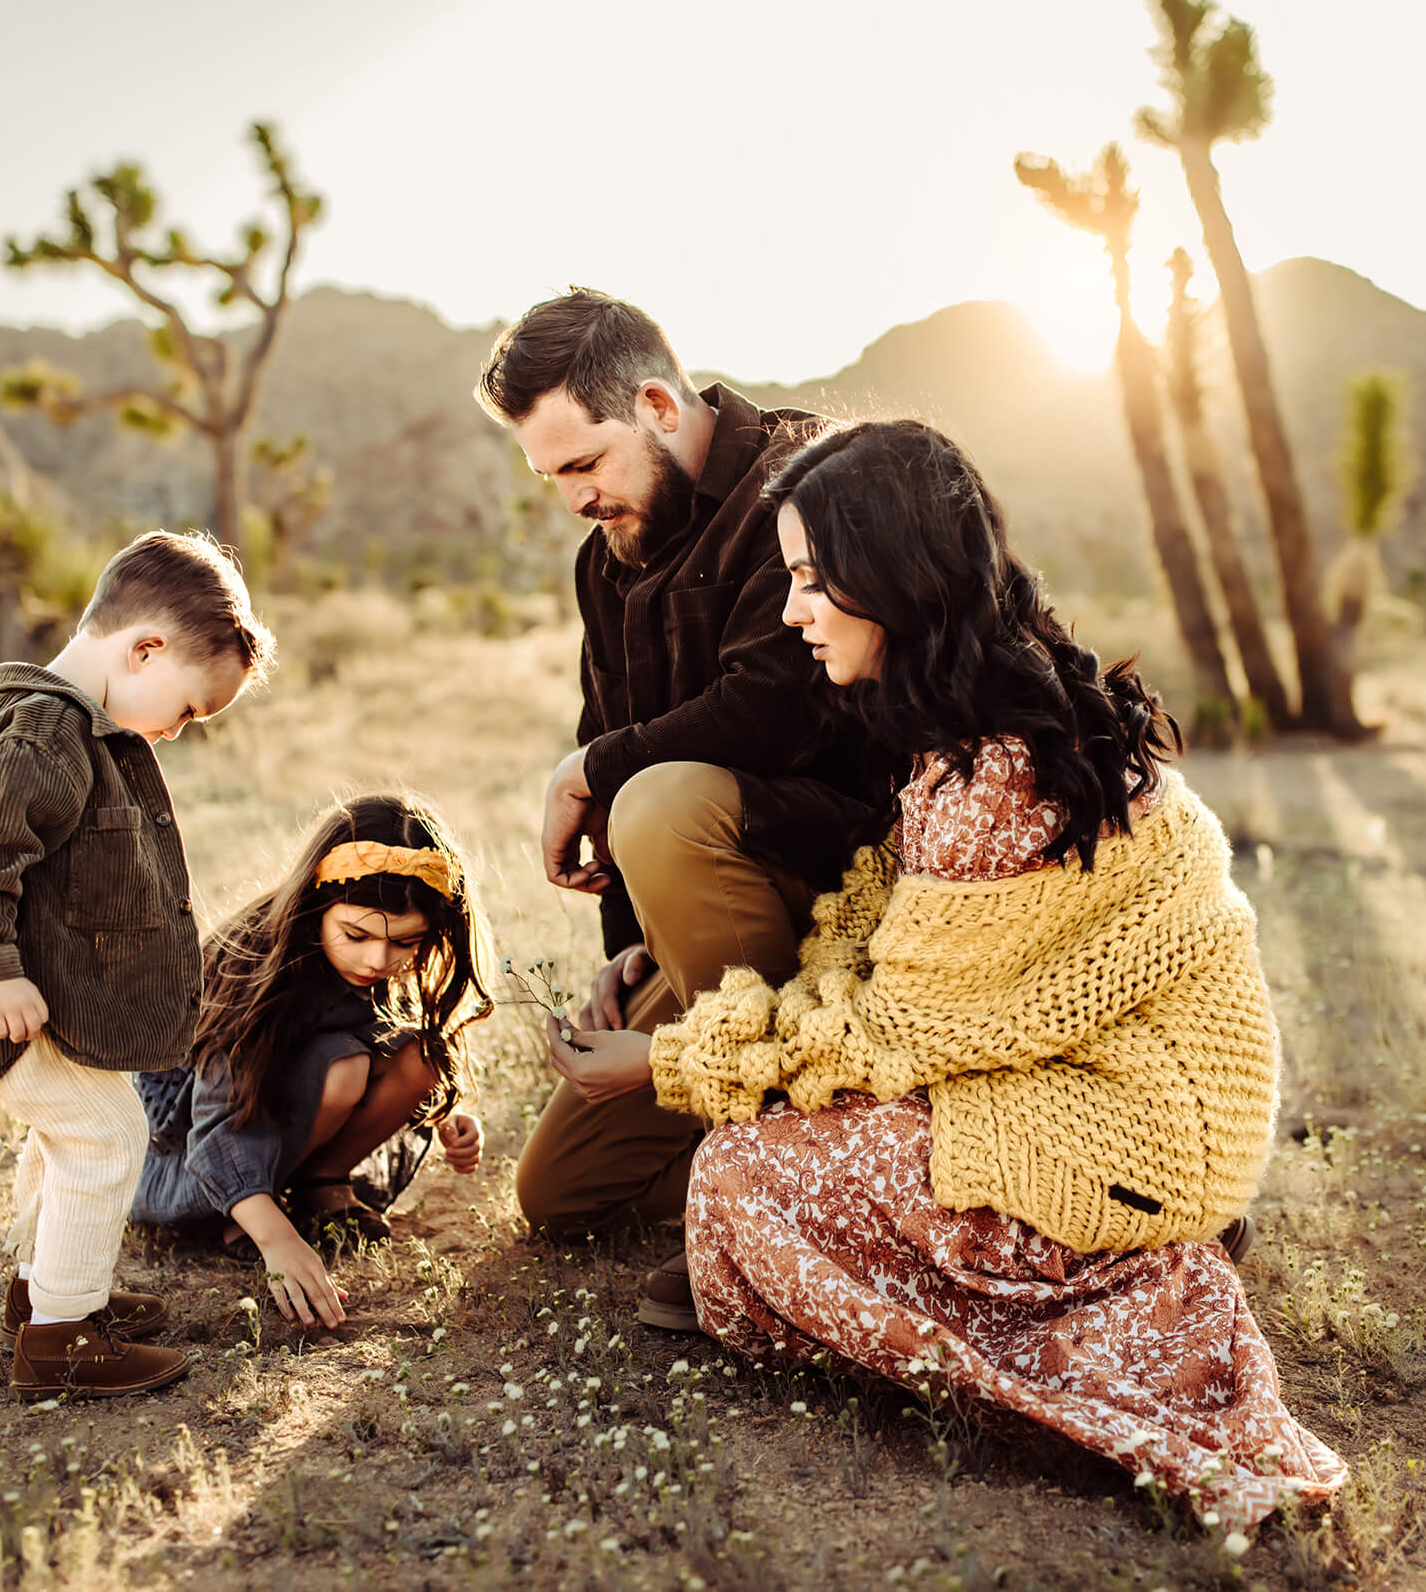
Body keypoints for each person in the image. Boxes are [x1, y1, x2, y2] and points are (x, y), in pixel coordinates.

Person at [548, 422, 1347, 1536]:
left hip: (1135, 1126)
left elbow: (886, 1032)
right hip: (1095, 1087)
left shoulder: (994, 772)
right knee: (750, 1163)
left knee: (735, 1175)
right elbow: (877, 942)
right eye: (789, 578)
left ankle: (1128, 1277)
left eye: (816, 581)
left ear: (898, 579)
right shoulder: (958, 722)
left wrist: (669, 1060)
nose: (791, 612)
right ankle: (1088, 1256)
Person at [474, 289, 889, 1326]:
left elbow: (774, 708)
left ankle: (790, 1184)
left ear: (657, 400)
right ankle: (820, 1173)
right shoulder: (602, 564)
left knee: (652, 794)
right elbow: (608, 725)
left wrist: (590, 768)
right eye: (551, 476)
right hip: (714, 923)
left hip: (854, 898)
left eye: (585, 464)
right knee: (560, 1192)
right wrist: (632, 950)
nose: (574, 496)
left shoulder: (805, 488)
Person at [0, 530, 275, 1399]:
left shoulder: (57, 725)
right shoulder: (42, 733)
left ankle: (50, 1289)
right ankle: (61, 1338)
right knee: (107, 1133)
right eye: (184, 710)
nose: (176, 733)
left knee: (66, 1134)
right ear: (144, 649)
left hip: (17, 996)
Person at [130, 795, 492, 1329]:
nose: (378, 960)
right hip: (187, 1151)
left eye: (405, 942)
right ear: (314, 905)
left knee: (420, 1057)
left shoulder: (369, 964)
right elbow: (213, 1128)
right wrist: (278, 1242)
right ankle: (256, 1214)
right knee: (342, 1066)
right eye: (356, 935)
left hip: (279, 1124)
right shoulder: (251, 968)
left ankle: (321, 1185)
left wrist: (444, 1114)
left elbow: (390, 1035)